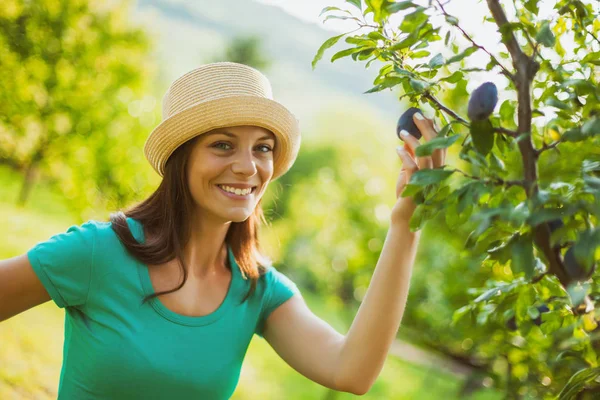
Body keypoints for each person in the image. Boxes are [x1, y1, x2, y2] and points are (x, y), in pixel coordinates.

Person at [0, 61, 446, 399]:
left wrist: (406, 221)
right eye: (222, 145)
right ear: (182, 157)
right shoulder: (99, 252)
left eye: (263, 148)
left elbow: (352, 371)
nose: (248, 167)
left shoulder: (258, 291)